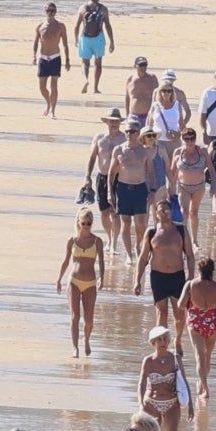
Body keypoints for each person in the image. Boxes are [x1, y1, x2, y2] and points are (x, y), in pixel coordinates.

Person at [138, 325, 193, 431]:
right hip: (151, 403)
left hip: (171, 403)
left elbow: (184, 381)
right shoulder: (148, 361)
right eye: (159, 340)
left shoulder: (175, 359)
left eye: (165, 339)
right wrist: (140, 403)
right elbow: (142, 383)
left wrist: (190, 404)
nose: (163, 342)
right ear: (153, 342)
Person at [134, 201, 194, 330]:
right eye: (161, 211)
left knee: (179, 314)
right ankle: (161, 341)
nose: (164, 213)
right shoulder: (151, 232)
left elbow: (190, 255)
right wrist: (137, 281)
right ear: (156, 213)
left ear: (171, 212)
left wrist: (190, 277)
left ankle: (177, 339)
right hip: (158, 277)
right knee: (161, 313)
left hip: (177, 276)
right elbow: (143, 258)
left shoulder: (181, 230)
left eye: (167, 210)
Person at [54, 208, 104, 358]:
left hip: (90, 283)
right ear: (79, 223)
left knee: (89, 320)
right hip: (74, 281)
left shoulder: (97, 241)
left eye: (89, 223)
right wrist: (59, 279)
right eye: (84, 223)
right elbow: (66, 261)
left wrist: (102, 277)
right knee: (75, 316)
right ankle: (75, 348)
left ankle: (86, 340)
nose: (87, 226)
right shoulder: (72, 240)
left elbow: (101, 261)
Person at [178, 257, 216, 402]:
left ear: (199, 270)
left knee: (199, 356)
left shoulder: (191, 285)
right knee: (207, 356)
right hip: (212, 323)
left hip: (196, 323)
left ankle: (205, 388)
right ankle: (201, 383)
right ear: (212, 271)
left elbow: (181, 305)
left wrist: (190, 299)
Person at [108, 119, 152, 260]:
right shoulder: (119, 149)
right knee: (125, 222)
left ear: (138, 133)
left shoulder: (144, 150)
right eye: (127, 131)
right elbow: (111, 173)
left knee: (140, 223)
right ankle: (129, 255)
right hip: (123, 188)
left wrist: (153, 190)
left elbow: (150, 172)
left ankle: (138, 246)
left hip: (140, 188)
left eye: (132, 131)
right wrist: (110, 192)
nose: (129, 134)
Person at [85, 110, 127, 255]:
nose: (114, 123)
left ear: (120, 122)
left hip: (119, 178)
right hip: (102, 177)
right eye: (111, 120)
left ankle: (114, 243)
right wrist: (87, 177)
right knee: (104, 213)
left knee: (115, 212)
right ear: (107, 122)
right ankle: (109, 238)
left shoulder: (124, 139)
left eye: (116, 121)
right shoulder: (99, 138)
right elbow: (92, 158)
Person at [171, 127, 215, 237]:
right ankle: (183, 237)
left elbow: (211, 169)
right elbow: (172, 172)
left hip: (199, 186)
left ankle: (194, 240)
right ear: (182, 139)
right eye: (186, 139)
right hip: (183, 186)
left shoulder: (202, 151)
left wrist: (213, 186)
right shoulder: (178, 152)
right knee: (184, 211)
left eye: (192, 139)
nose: (189, 142)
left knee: (194, 213)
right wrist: (170, 189)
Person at [32, 2, 70, 118]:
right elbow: (36, 42)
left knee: (54, 85)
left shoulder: (60, 26)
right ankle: (48, 103)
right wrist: (34, 56)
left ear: (56, 12)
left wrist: (67, 60)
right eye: (48, 10)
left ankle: (53, 110)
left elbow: (65, 44)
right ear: (45, 11)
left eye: (52, 10)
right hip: (43, 58)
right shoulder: (40, 26)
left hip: (55, 57)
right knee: (42, 87)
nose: (50, 13)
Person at [74, 0, 115, 93]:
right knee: (98, 63)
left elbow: (77, 25)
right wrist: (112, 41)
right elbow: (108, 26)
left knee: (85, 62)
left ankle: (85, 79)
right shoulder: (103, 9)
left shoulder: (82, 8)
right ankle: (95, 88)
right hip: (98, 38)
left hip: (85, 38)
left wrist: (76, 39)